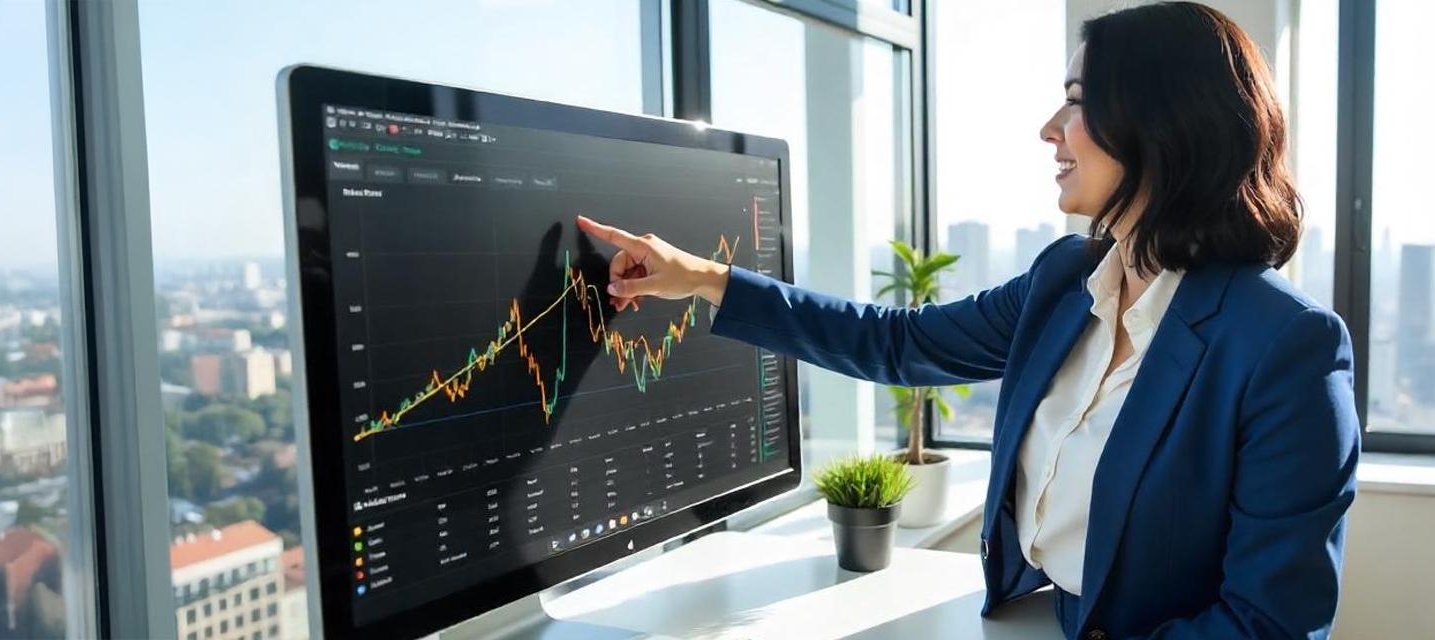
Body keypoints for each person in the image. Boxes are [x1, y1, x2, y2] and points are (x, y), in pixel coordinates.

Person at [577, 2, 1357, 637]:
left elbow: (1269, 627)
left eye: (1079, 103)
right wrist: (706, 280)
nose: (1050, 129)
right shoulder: (1067, 277)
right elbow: (900, 343)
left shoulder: (1286, 347)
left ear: (1161, 124)